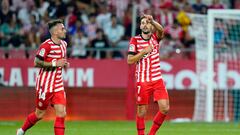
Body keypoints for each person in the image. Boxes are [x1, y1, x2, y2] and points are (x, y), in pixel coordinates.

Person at [16, 19, 69, 135]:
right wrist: (55, 63)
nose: (65, 30)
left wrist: (64, 64)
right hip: (44, 84)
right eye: (62, 28)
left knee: (62, 113)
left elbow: (61, 59)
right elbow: (36, 63)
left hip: (58, 84)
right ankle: (21, 130)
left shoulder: (64, 44)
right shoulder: (46, 46)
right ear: (55, 32)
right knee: (39, 114)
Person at [127, 14, 169, 135]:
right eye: (143, 23)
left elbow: (162, 30)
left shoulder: (156, 38)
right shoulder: (135, 40)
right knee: (142, 112)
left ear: (151, 26)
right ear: (140, 26)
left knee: (165, 108)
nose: (145, 24)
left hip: (157, 79)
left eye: (148, 23)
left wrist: (153, 21)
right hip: (143, 80)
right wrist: (143, 52)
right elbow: (129, 60)